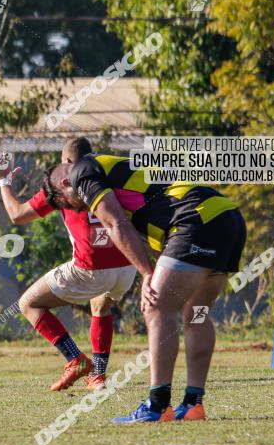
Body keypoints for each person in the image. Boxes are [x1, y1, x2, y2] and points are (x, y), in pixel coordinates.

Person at [45, 152, 246, 422]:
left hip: (194, 220)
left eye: (64, 204)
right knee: (196, 313)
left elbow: (116, 223)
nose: (75, 210)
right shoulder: (115, 174)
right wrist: (150, 270)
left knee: (157, 308)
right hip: (225, 217)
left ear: (64, 185)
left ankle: (157, 405)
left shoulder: (82, 171)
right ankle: (193, 404)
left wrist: (147, 274)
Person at [0, 138, 135, 391]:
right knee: (101, 305)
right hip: (128, 265)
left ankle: (75, 359)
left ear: (67, 162)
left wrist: (4, 182)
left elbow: (17, 214)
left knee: (28, 303)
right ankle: (98, 377)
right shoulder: (112, 174)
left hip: (90, 269)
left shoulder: (63, 182)